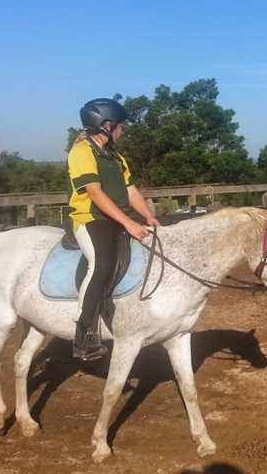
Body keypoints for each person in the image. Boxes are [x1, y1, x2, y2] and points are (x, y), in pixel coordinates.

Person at [67, 98, 159, 360]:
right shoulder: (82, 151)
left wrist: (148, 216)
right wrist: (129, 222)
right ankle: (84, 334)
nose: (123, 130)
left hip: (115, 218)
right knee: (102, 263)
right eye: (121, 125)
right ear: (106, 125)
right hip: (90, 218)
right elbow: (94, 193)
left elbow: (130, 191)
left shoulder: (116, 156)